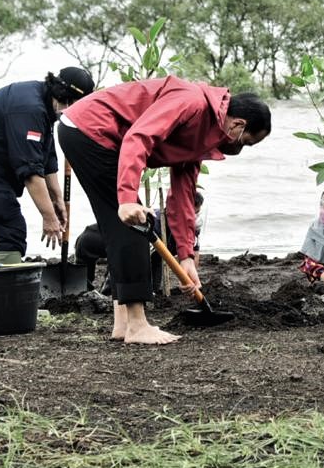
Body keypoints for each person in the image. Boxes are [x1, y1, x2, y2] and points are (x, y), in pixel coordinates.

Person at [58, 76, 270, 345]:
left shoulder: (203, 135)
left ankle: (123, 324)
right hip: (92, 128)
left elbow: (183, 196)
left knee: (117, 229)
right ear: (238, 124)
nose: (239, 149)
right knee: (134, 224)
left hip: (83, 130)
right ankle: (137, 326)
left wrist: (186, 256)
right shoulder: (191, 101)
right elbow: (139, 136)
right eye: (246, 142)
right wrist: (126, 198)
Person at [0, 67, 95, 264]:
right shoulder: (29, 109)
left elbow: (46, 159)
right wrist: (48, 216)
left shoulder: (45, 103)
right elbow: (30, 170)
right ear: (66, 98)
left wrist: (57, 200)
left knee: (5, 229)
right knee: (9, 229)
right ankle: (3, 290)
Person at [75, 189, 206, 294]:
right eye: (189, 213)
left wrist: (190, 281)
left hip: (150, 253)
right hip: (95, 239)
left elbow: (193, 258)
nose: (193, 218)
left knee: (152, 286)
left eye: (197, 213)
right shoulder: (155, 224)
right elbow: (127, 257)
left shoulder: (193, 229)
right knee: (92, 284)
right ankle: (90, 288)